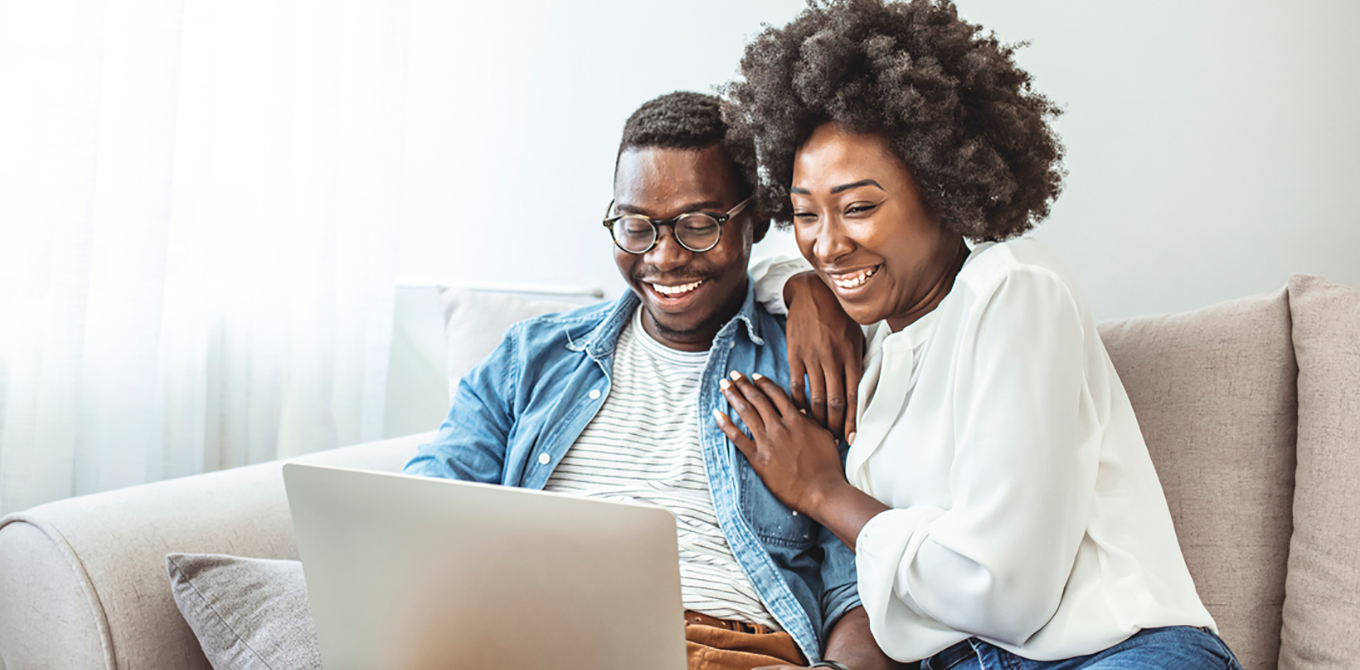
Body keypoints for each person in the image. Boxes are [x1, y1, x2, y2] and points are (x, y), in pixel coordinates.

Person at [715, 2, 1246, 669]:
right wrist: (805, 290)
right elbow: (764, 268)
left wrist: (823, 491)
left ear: (942, 190)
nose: (828, 244)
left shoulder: (1014, 288)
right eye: (803, 215)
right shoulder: (879, 337)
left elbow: (1005, 594)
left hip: (1116, 653)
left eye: (858, 208)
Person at [404, 91, 898, 670]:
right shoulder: (531, 357)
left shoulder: (812, 367)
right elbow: (418, 513)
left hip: (722, 647)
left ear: (757, 221)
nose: (663, 258)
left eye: (697, 225)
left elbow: (860, 589)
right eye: (636, 227)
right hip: (531, 638)